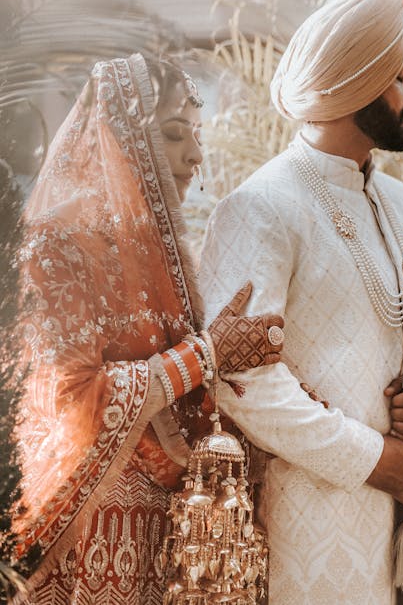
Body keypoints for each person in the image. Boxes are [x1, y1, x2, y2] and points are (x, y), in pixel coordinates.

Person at [199, 0, 403, 605]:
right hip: (303, 520)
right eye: (401, 78)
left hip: (397, 517)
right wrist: (373, 460)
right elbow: (241, 383)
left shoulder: (401, 203)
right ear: (358, 88)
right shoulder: (262, 207)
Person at [12, 53, 284, 605]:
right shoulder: (55, 245)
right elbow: (70, 399)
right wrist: (205, 355)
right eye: (173, 133)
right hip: (85, 543)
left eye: (197, 136)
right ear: (118, 140)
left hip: (165, 542)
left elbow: (177, 391)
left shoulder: (161, 259)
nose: (195, 157)